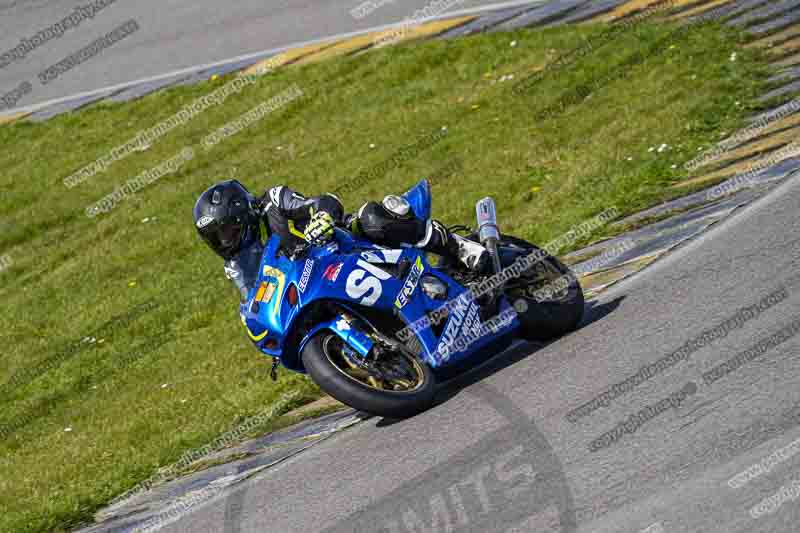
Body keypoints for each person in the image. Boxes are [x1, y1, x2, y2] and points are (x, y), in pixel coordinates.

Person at [192, 180, 488, 299]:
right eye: (215, 238)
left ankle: (460, 247)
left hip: (344, 246)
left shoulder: (273, 201)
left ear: (241, 216)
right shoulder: (238, 265)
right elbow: (253, 298)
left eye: (226, 231)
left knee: (370, 219)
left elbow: (324, 201)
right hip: (320, 283)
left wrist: (321, 218)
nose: (224, 241)